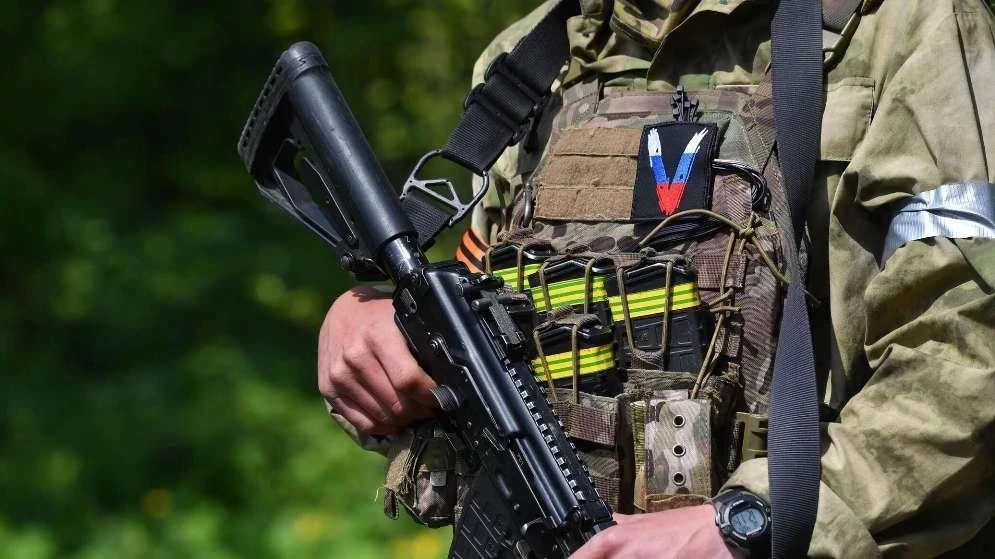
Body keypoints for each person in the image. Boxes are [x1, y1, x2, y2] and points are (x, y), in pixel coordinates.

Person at [318, 0, 995, 556]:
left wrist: (748, 523)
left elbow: (964, 359)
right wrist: (375, 328)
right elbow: (487, 330)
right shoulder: (533, 60)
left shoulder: (906, 26)